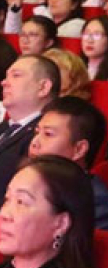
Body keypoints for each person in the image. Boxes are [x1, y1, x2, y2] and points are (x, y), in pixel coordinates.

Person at [0, 55, 60, 212]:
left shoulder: (43, 137)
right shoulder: (3, 128)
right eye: (6, 76)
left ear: (43, 88)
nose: (4, 82)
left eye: (16, 75)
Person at [29, 96, 108, 230]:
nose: (34, 142)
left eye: (48, 134)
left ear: (79, 149)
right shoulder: (27, 181)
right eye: (36, 132)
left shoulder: (93, 202)